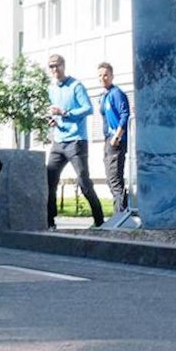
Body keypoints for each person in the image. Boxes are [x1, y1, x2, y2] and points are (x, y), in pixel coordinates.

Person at [44, 54, 105, 229]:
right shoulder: (52, 89)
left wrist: (65, 113)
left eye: (57, 66)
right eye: (51, 67)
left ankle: (99, 221)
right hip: (58, 140)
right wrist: (53, 120)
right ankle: (50, 221)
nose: (54, 70)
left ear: (64, 66)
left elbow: (88, 108)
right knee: (50, 181)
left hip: (76, 141)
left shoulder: (76, 86)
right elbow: (55, 112)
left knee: (83, 180)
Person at [97, 61, 131, 214]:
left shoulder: (117, 93)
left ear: (112, 76)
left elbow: (125, 115)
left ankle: (121, 215)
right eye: (100, 75)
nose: (103, 78)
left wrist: (117, 136)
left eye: (106, 75)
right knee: (110, 179)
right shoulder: (104, 96)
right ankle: (122, 211)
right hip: (107, 140)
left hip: (116, 141)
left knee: (115, 179)